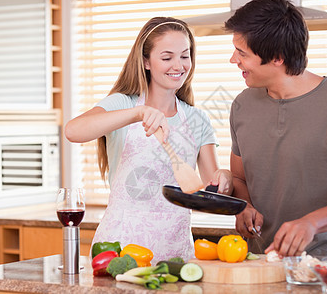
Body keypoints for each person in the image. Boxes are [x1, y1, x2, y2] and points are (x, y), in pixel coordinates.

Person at [65, 17, 232, 263]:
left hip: (175, 255)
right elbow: (73, 131)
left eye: (185, 56)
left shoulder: (197, 119)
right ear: (146, 61)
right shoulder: (124, 104)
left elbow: (207, 192)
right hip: (120, 251)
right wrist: (137, 113)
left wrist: (224, 179)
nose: (179, 65)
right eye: (167, 57)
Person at [224, 0, 327, 259]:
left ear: (277, 58)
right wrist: (243, 205)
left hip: (319, 266)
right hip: (256, 261)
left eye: (242, 53)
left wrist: (311, 223)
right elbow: (239, 178)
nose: (232, 59)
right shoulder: (242, 105)